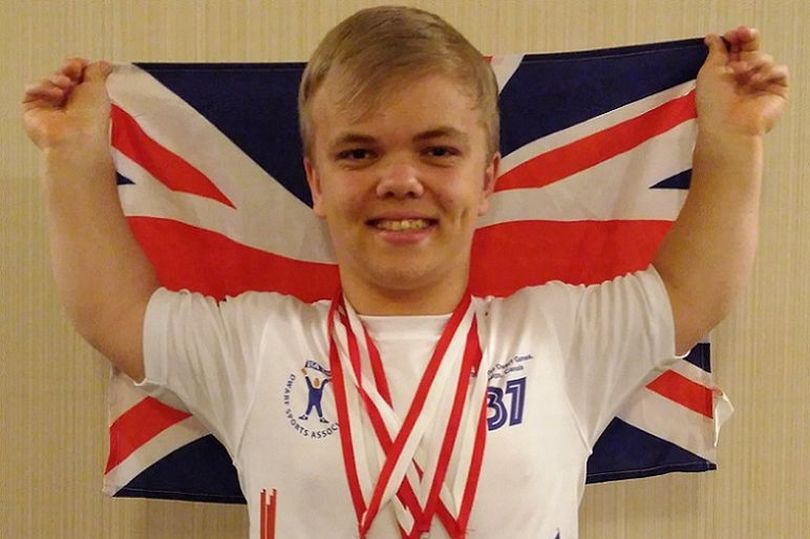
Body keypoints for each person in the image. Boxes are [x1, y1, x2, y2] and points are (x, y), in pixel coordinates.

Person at [22, 6, 787, 539]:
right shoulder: (257, 345)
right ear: (316, 184)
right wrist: (75, 155)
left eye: (437, 150)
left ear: (488, 179)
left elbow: (693, 290)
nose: (399, 180)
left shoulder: (558, 334)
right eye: (358, 153)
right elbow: (116, 313)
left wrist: (733, 137)